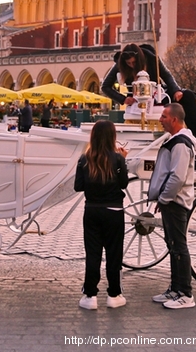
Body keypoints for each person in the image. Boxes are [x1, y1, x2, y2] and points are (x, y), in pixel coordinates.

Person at [74, 120, 129, 310]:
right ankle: (114, 294)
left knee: (93, 254)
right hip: (114, 210)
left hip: (92, 210)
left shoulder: (84, 159)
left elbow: (78, 186)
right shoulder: (118, 159)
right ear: (112, 137)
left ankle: (90, 295)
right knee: (114, 254)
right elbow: (123, 183)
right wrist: (123, 160)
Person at [101, 43, 196, 142]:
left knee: (187, 95)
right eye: (129, 63)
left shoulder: (152, 59)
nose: (132, 65)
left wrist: (176, 90)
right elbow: (105, 86)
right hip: (136, 98)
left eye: (134, 62)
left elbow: (166, 75)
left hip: (158, 93)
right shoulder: (120, 63)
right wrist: (123, 99)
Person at [148, 103, 196, 309]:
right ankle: (175, 289)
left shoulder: (181, 144)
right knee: (173, 246)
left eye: (164, 116)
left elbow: (177, 176)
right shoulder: (176, 141)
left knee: (179, 247)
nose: (160, 119)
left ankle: (186, 293)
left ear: (175, 120)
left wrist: (165, 198)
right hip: (171, 201)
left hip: (176, 202)